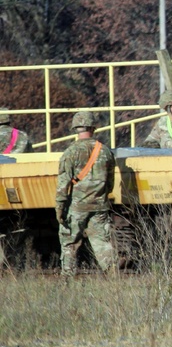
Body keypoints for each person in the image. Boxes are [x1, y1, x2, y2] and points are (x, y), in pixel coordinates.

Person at [55, 110, 117, 275]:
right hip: (99, 205)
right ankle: (114, 277)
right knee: (102, 243)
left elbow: (63, 184)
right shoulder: (105, 151)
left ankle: (68, 278)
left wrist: (60, 207)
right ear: (93, 127)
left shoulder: (70, 152)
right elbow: (110, 183)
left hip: (77, 207)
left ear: (75, 128)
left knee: (69, 243)